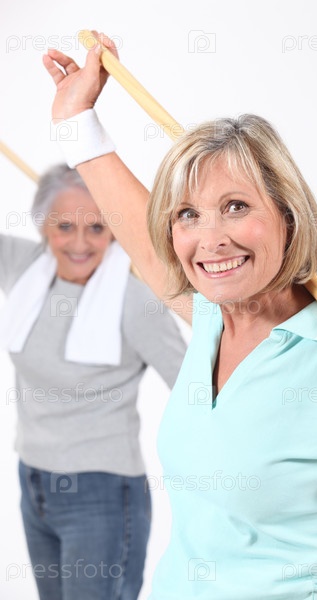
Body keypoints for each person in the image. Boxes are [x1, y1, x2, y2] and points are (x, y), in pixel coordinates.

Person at [42, 35, 317, 600]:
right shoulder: (217, 311)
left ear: (288, 214)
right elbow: (148, 246)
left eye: (236, 206)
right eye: (187, 214)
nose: (210, 241)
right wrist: (75, 121)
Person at [0, 163, 187, 600]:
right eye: (64, 226)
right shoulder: (24, 266)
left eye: (97, 227)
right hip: (33, 481)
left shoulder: (135, 299)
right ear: (43, 225)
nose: (81, 243)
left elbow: (193, 385)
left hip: (102, 495)